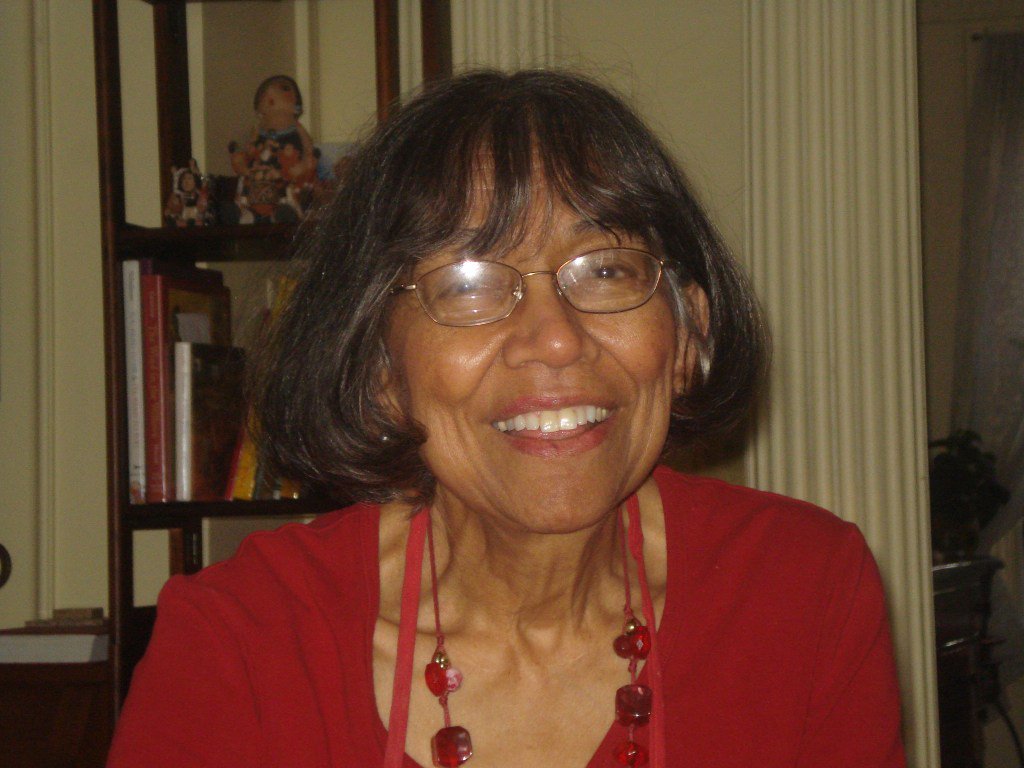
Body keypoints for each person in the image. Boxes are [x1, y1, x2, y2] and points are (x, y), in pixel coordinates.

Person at [107, 70, 906, 768]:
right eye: (468, 283)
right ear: (379, 367)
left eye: (606, 269)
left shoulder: (802, 595)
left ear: (688, 335)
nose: (555, 339)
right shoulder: (240, 645)